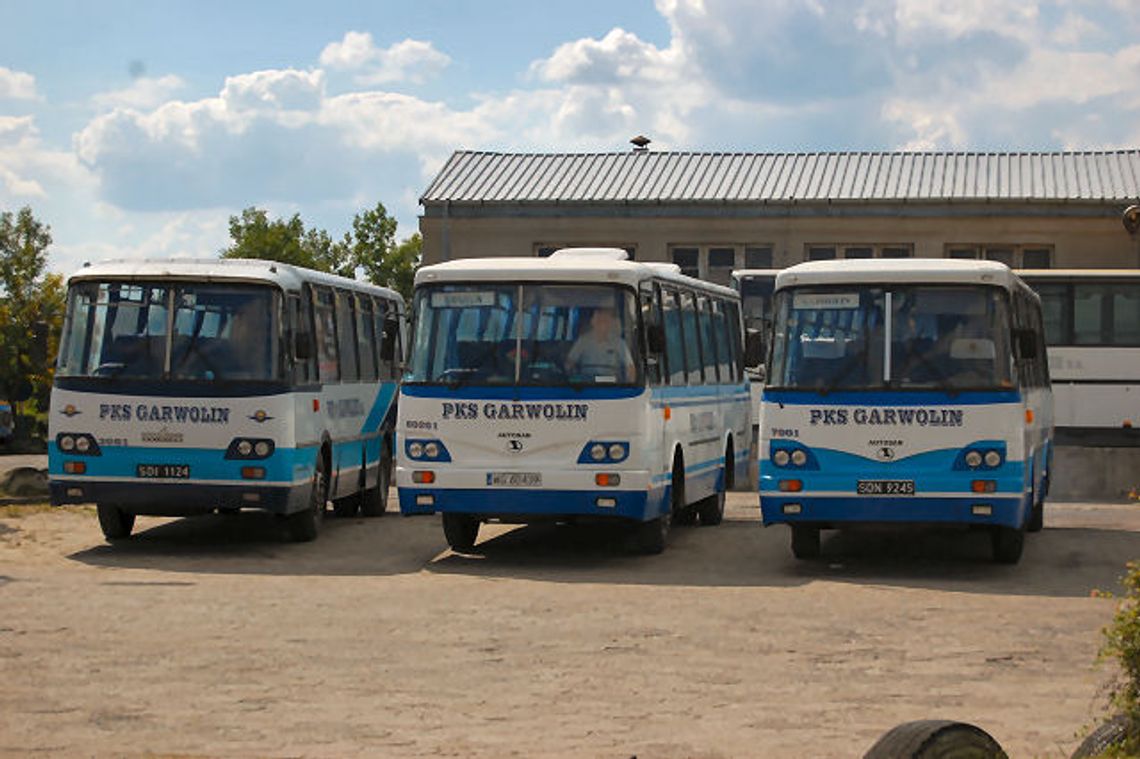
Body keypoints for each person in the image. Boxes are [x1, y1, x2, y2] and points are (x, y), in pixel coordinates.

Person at [565, 306, 635, 382]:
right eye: (599, 320)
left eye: (605, 321)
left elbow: (630, 367)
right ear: (593, 322)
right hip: (586, 385)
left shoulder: (619, 343)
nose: (602, 324)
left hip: (612, 386)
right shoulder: (583, 341)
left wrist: (629, 384)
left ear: (610, 323)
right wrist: (570, 374)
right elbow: (569, 363)